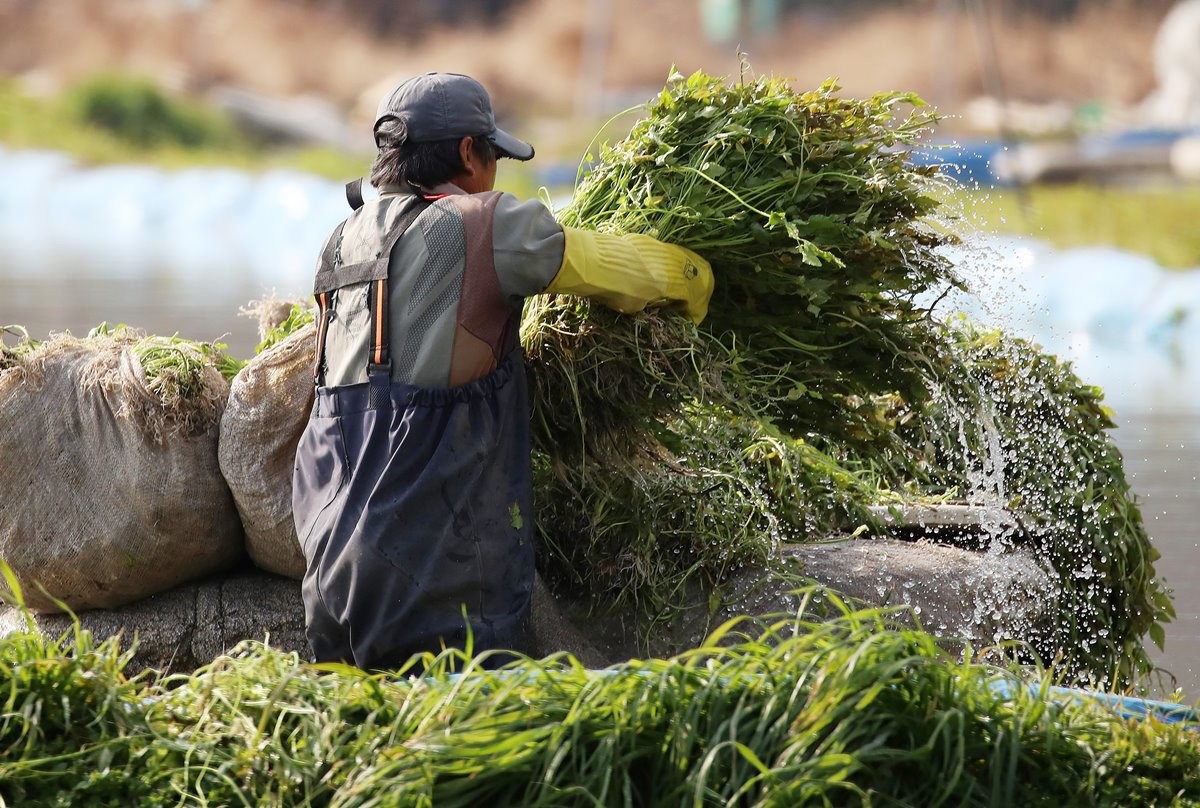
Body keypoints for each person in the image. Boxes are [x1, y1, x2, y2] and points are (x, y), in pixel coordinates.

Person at [292, 72, 713, 671]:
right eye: (492, 156)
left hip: (332, 567)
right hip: (435, 576)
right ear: (469, 152)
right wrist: (697, 277)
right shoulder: (483, 222)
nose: (494, 173)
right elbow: (613, 268)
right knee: (468, 746)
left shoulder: (340, 243)